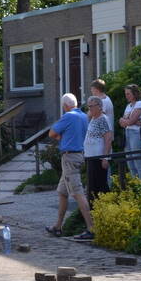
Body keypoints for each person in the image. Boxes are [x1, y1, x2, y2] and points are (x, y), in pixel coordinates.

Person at [46, 93, 95, 240]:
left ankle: (91, 228)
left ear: (65, 106)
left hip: (69, 158)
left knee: (77, 192)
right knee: (62, 192)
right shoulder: (83, 116)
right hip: (80, 155)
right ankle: (58, 226)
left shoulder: (68, 116)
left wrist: (61, 138)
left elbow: (52, 133)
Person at [83, 96, 113, 199]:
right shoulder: (93, 118)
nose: (90, 108)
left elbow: (108, 138)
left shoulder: (102, 119)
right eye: (89, 106)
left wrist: (105, 158)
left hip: (98, 158)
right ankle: (94, 210)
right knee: (92, 187)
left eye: (92, 106)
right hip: (91, 157)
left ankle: (106, 207)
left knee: (100, 186)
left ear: (99, 106)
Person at [119, 84, 141, 180]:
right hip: (127, 133)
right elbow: (121, 122)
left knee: (137, 159)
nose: (127, 96)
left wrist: (129, 121)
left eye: (128, 94)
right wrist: (130, 121)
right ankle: (135, 183)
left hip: (136, 134)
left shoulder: (139, 104)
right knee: (129, 160)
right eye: (125, 94)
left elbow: (129, 121)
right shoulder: (128, 106)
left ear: (134, 94)